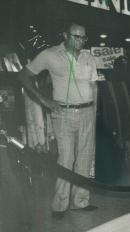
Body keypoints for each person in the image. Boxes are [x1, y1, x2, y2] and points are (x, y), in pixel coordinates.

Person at [19, 21, 98, 218]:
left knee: (85, 158)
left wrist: (95, 111)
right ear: (65, 35)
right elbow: (23, 75)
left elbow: (95, 86)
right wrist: (44, 100)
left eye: (83, 37)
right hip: (63, 113)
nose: (80, 40)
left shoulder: (89, 57)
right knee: (66, 159)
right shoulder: (50, 55)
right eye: (76, 36)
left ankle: (80, 201)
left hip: (88, 112)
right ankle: (60, 205)